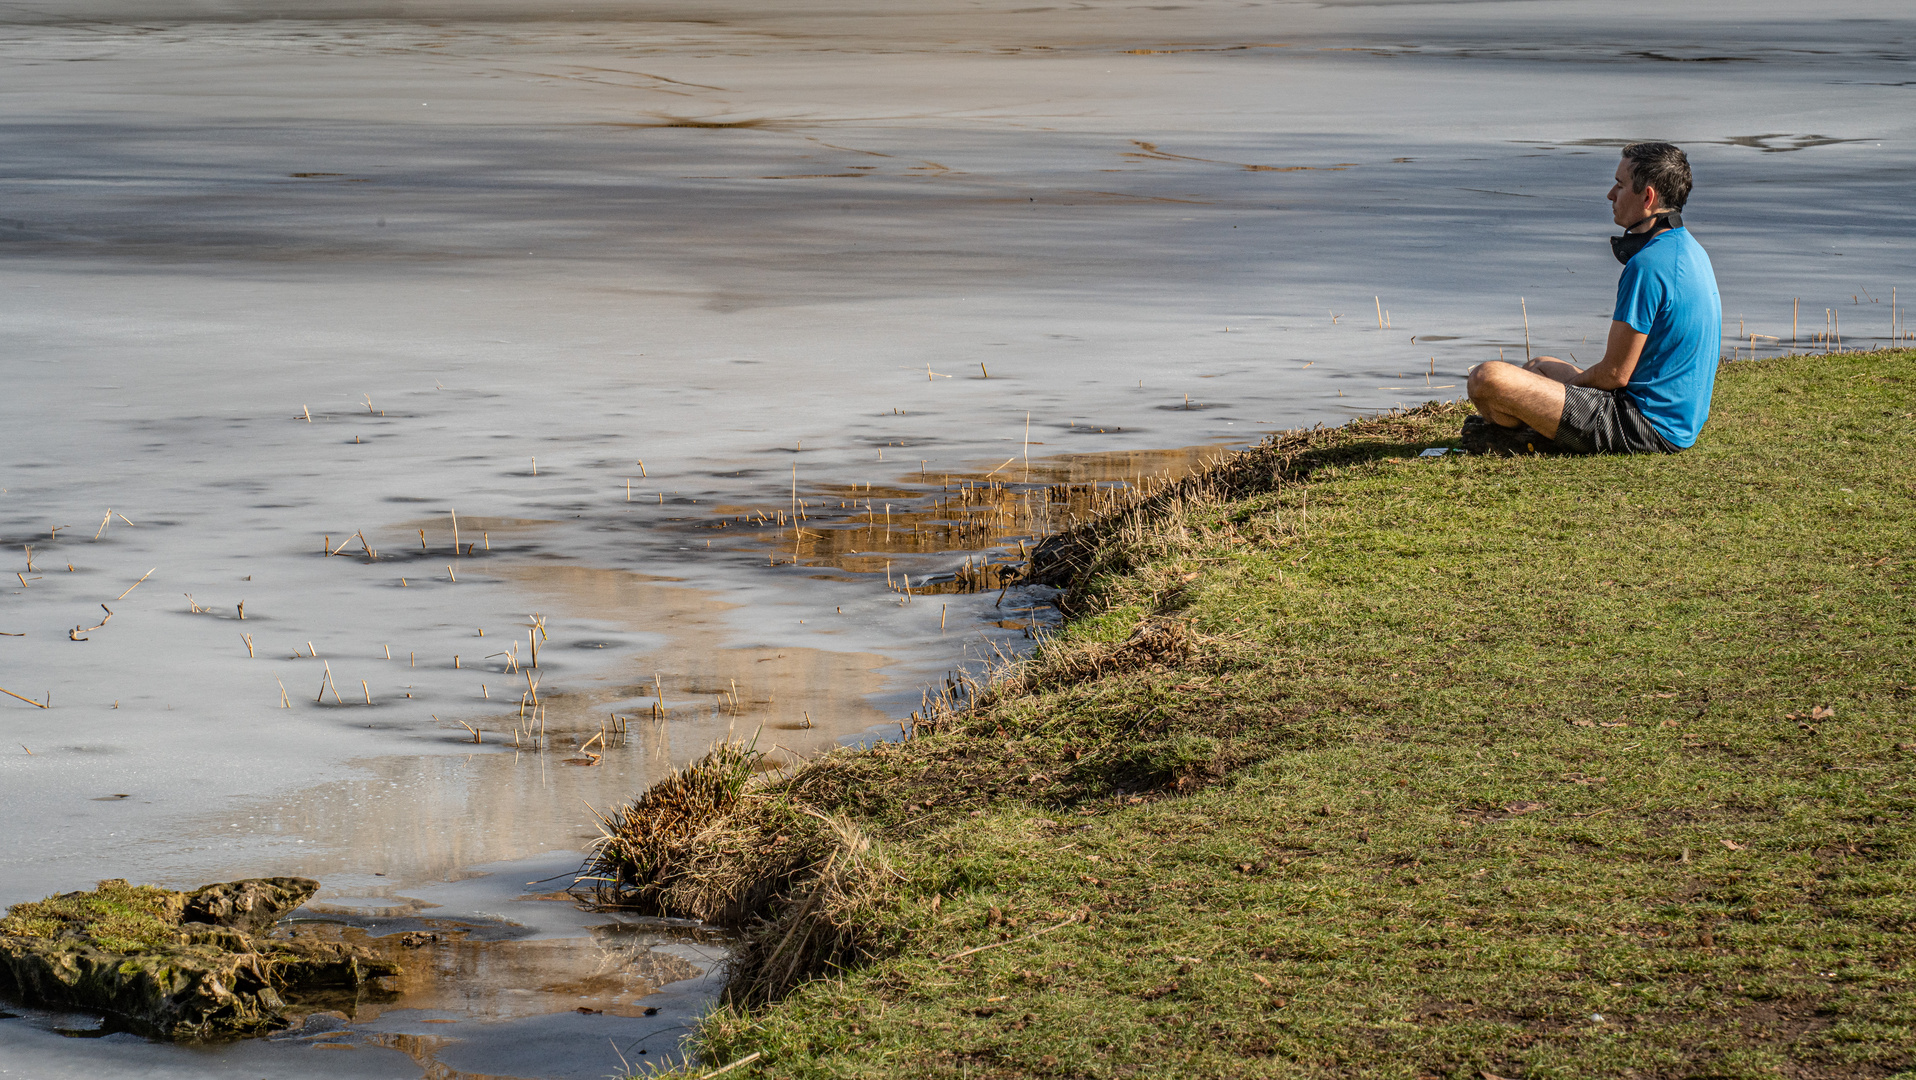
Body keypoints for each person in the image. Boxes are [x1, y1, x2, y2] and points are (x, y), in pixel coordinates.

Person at [1463, 142, 1722, 455]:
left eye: (1620, 185)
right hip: (1675, 422)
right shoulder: (1690, 250)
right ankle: (1538, 429)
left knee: (1486, 378)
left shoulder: (1648, 265)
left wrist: (1566, 392)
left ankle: (1529, 438)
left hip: (1644, 427)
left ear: (1648, 196)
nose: (1611, 194)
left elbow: (1615, 374)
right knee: (1539, 366)